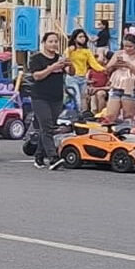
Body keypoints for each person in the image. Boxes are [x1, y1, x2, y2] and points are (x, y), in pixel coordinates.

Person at [27, 32, 69, 170]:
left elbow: (72, 72)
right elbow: (37, 76)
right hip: (40, 97)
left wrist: (70, 64)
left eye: (56, 41)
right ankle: (53, 158)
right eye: (50, 41)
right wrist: (52, 67)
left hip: (56, 98)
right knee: (47, 127)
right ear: (44, 43)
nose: (53, 44)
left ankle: (39, 156)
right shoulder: (36, 59)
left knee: (47, 129)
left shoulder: (60, 58)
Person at [102, 33, 135, 125]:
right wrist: (115, 65)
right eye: (125, 46)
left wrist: (129, 65)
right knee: (110, 115)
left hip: (131, 87)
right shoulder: (118, 53)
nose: (127, 49)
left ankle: (127, 133)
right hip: (116, 86)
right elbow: (106, 70)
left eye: (130, 46)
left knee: (128, 116)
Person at [65, 28, 104, 113]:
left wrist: (104, 69)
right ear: (75, 39)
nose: (83, 39)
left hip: (82, 78)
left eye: (84, 37)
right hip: (72, 77)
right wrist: (69, 52)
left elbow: (93, 63)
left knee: (83, 99)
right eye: (80, 37)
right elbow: (66, 61)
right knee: (77, 98)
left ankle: (81, 116)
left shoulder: (87, 51)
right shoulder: (70, 50)